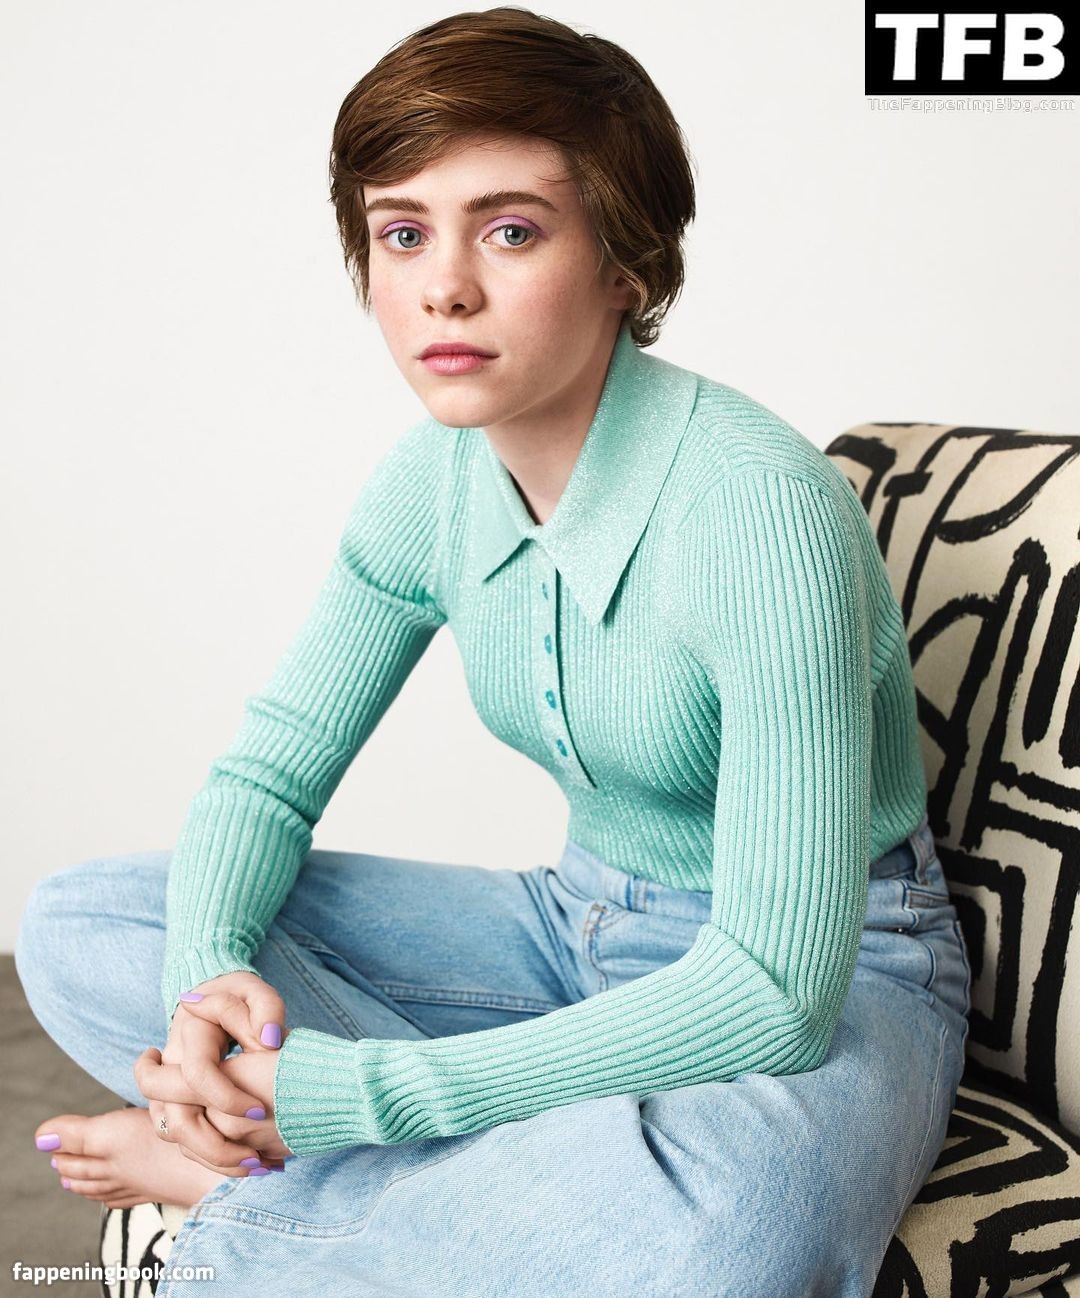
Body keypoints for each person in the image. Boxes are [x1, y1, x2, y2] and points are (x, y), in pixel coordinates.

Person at [14, 8, 971, 1296]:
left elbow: (772, 992)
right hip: (569, 928)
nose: (443, 288)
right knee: (94, 922)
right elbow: (267, 779)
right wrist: (206, 998)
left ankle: (255, 1198)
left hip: (829, 972)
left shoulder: (759, 508)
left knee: (727, 1243)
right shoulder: (431, 483)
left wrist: (371, 1094)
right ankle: (487, 1187)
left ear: (626, 262)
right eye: (403, 233)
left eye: (510, 230)